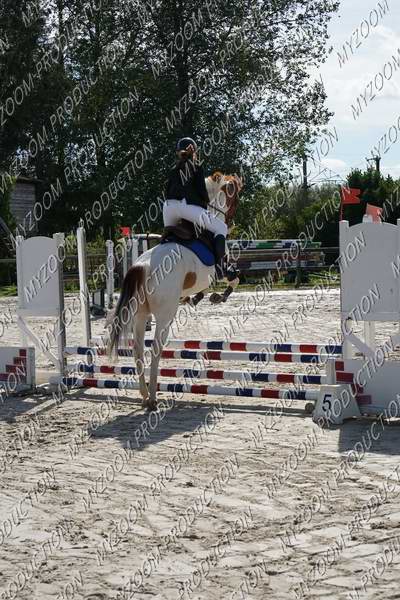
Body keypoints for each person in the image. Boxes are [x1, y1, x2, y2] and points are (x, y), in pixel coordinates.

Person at [163, 137, 227, 275]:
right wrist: (205, 202)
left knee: (168, 236)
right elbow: (202, 192)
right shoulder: (197, 168)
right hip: (186, 207)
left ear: (178, 153)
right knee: (222, 227)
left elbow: (166, 192)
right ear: (194, 153)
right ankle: (220, 268)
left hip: (168, 208)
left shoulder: (173, 169)